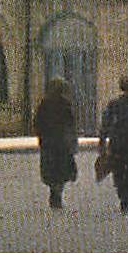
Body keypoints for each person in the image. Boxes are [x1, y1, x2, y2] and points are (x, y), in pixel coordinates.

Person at [98, 76, 128, 212]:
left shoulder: (114, 103)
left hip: (117, 141)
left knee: (118, 170)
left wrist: (102, 140)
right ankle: (127, 198)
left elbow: (106, 123)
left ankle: (122, 194)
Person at [34, 77, 78, 209]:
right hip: (62, 142)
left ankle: (54, 192)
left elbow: (37, 122)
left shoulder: (45, 103)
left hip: (49, 142)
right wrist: (72, 140)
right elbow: (71, 123)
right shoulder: (65, 104)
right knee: (61, 169)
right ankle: (57, 193)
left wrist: (41, 137)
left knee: (52, 169)